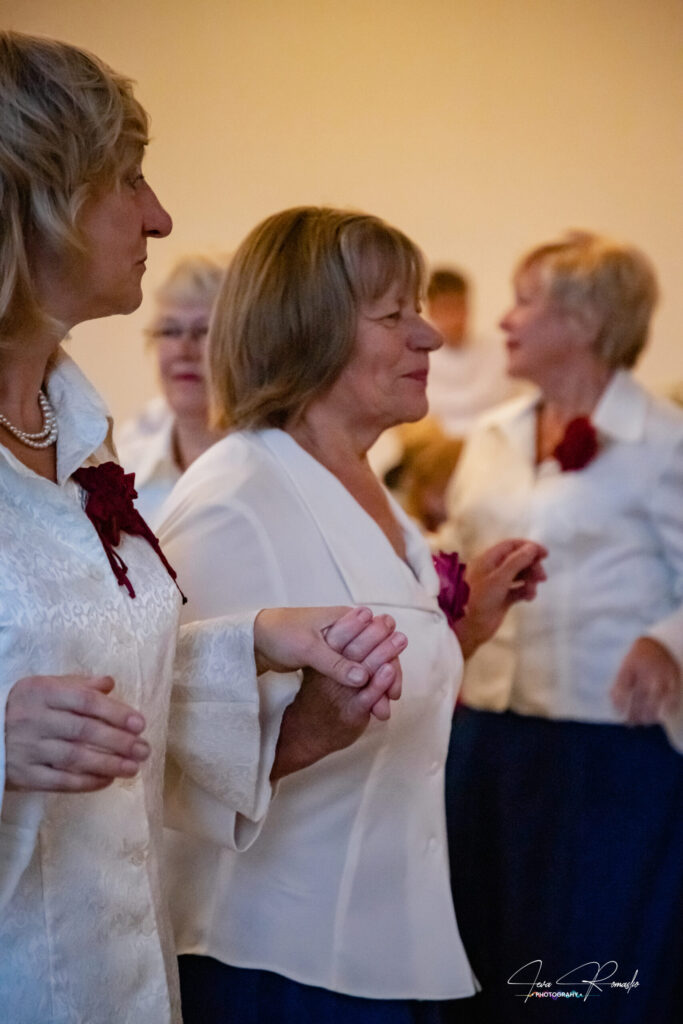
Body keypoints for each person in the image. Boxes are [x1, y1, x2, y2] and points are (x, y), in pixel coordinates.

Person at [0, 34, 405, 1023]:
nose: (159, 215)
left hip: (121, 974)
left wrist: (258, 650)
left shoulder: (76, 431)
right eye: (128, 179)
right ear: (40, 196)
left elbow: (92, 672)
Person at [158, 206, 547, 1024]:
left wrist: (464, 632)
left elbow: (375, 685)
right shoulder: (235, 497)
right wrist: (303, 732)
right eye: (395, 314)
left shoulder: (368, 487)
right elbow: (168, 747)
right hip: (278, 960)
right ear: (309, 330)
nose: (430, 336)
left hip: (389, 947)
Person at [440, 231, 683, 1023]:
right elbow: (456, 558)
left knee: (587, 966)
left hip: (611, 747)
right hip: (487, 734)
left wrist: (665, 642)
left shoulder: (664, 443)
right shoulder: (490, 437)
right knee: (491, 952)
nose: (502, 321)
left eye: (524, 301)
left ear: (585, 320)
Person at [117, 254, 228, 524]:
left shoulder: (273, 458)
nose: (183, 350)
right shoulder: (124, 465)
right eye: (170, 331)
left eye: (204, 331)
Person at [425, 267, 518, 437]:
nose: (456, 319)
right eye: (446, 309)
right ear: (431, 311)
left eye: (460, 307)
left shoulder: (497, 350)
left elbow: (504, 401)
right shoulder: (420, 359)